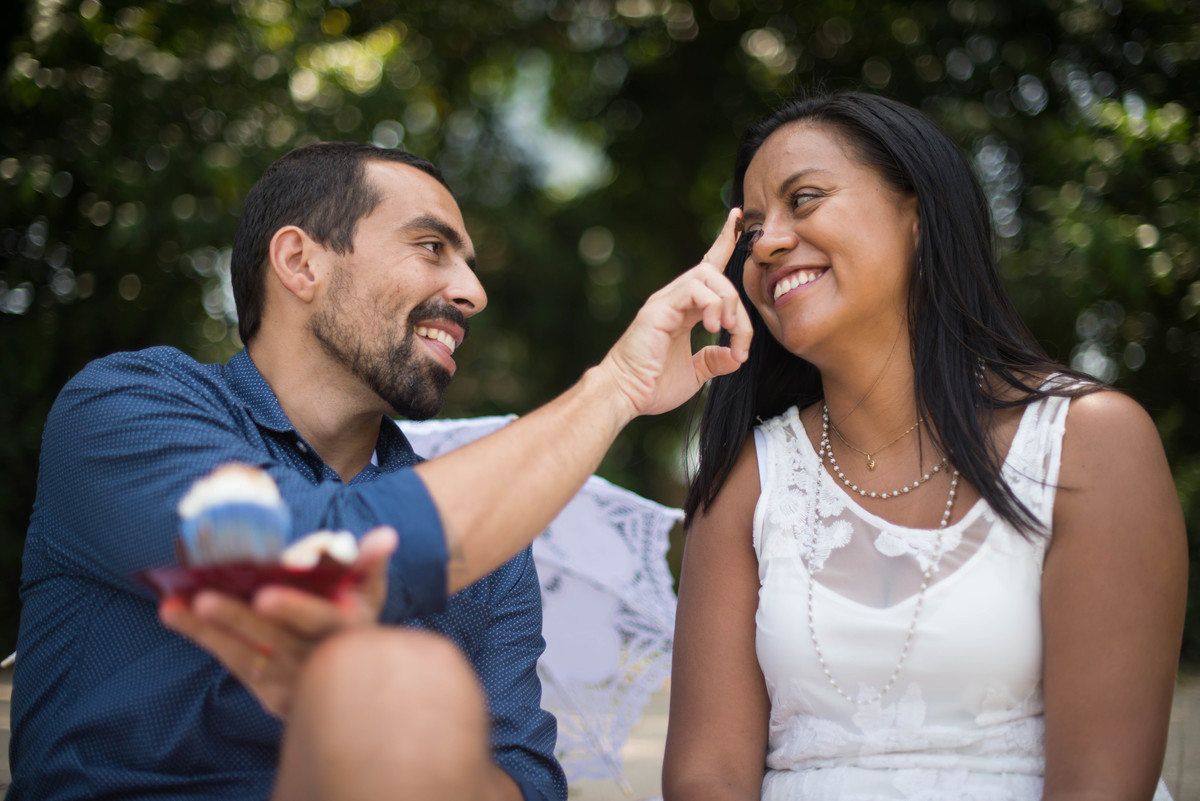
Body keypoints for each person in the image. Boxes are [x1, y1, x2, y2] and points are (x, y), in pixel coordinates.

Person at [8, 142, 753, 801]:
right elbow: (302, 567)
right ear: (300, 262)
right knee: (394, 679)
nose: (472, 291)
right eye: (432, 246)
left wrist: (414, 750)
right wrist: (615, 386)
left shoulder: (489, 541)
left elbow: (522, 780)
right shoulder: (126, 408)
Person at [663, 92, 1187, 801]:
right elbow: (705, 777)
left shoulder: (1087, 440)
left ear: (917, 214)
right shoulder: (747, 478)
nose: (767, 241)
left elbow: (1102, 787)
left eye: (804, 199)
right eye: (751, 227)